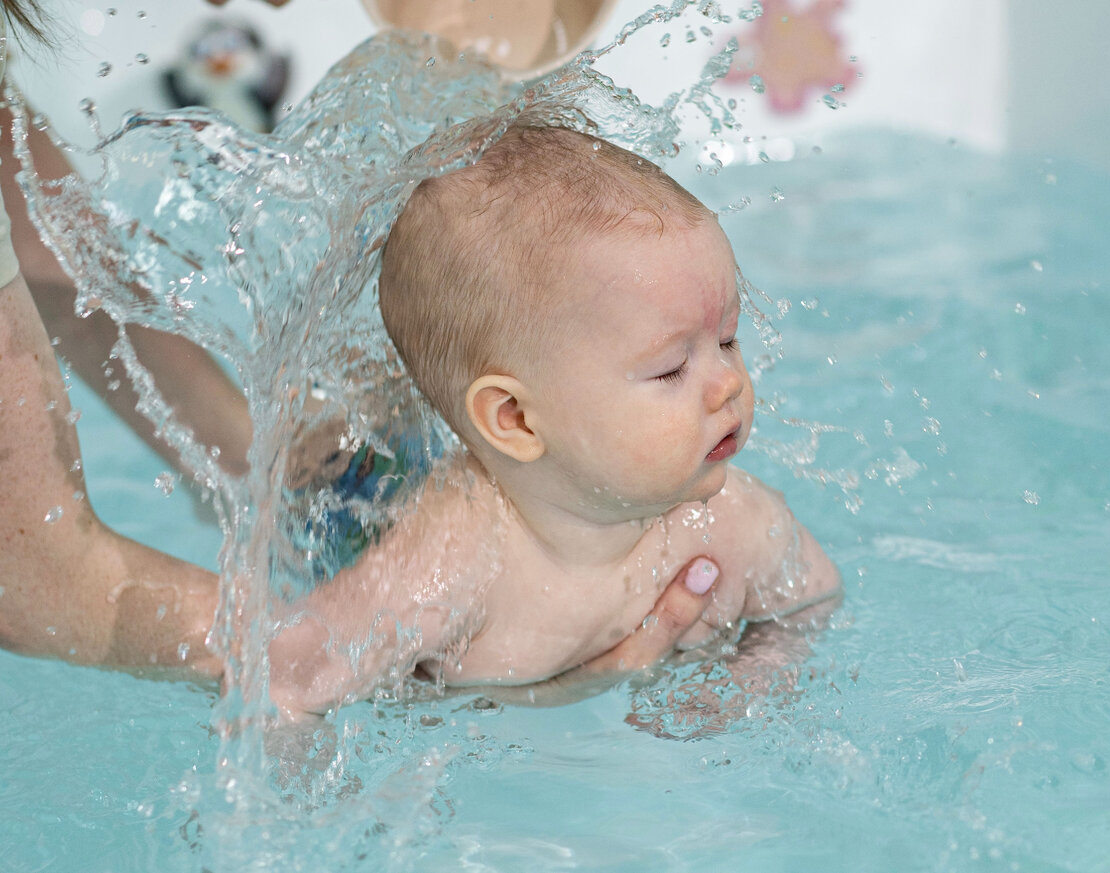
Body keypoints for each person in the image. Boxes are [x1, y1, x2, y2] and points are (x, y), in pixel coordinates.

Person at [0, 0, 724, 702]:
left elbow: (44, 249)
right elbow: (29, 576)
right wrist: (377, 653)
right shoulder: (459, 547)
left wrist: (270, 465)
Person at [265, 125, 841, 717]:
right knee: (299, 464)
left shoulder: (730, 519)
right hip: (360, 515)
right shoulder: (454, 558)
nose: (730, 384)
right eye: (672, 371)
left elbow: (810, 600)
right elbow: (288, 683)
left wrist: (751, 678)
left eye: (727, 341)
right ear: (515, 417)